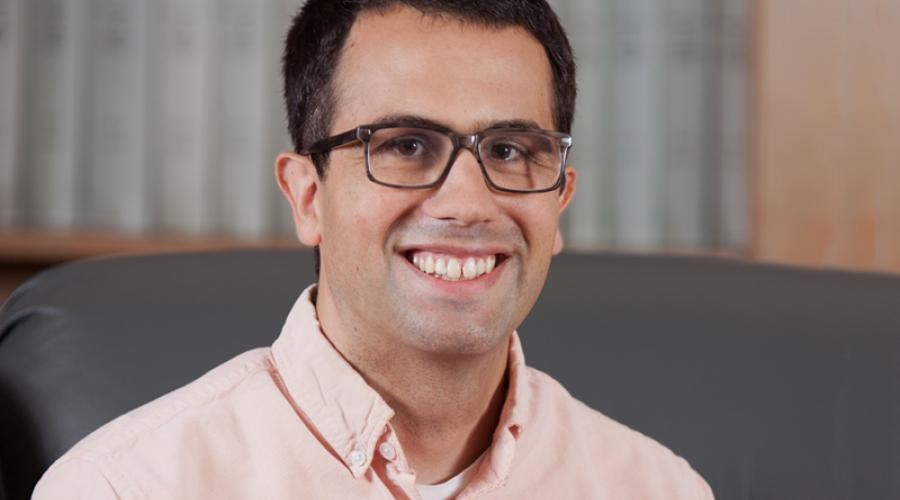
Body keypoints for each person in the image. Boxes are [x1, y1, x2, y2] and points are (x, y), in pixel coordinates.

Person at [33, 1, 713, 498]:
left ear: (558, 201)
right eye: (406, 146)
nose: (468, 204)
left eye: (509, 150)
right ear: (307, 197)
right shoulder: (126, 487)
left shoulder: (657, 488)